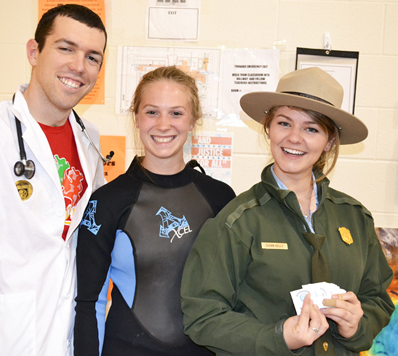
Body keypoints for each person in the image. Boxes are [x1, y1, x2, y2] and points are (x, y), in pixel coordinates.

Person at [0, 4, 107, 356]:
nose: (78, 66)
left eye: (93, 57)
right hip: (0, 340)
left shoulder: (91, 142)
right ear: (34, 52)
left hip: (67, 340)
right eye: (66, 48)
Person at [181, 67, 395, 355]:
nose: (294, 138)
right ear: (268, 128)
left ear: (329, 141)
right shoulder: (238, 221)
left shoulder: (355, 218)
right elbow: (203, 318)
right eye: (284, 123)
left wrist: (357, 325)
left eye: (311, 129)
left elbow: (378, 299)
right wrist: (279, 336)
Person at [74, 66, 236, 356]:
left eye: (176, 113)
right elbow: (89, 303)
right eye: (151, 112)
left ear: (192, 120)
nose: (163, 125)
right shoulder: (107, 202)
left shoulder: (221, 198)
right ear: (136, 117)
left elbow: (235, 296)